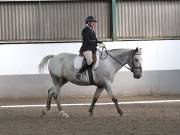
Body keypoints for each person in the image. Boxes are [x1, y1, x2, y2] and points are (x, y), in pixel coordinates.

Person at [74, 16, 102, 80]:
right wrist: (96, 42)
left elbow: (95, 40)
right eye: (93, 22)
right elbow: (87, 41)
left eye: (94, 22)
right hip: (86, 48)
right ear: (88, 23)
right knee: (90, 60)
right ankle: (79, 73)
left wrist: (100, 43)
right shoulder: (85, 30)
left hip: (92, 48)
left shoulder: (92, 31)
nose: (94, 24)